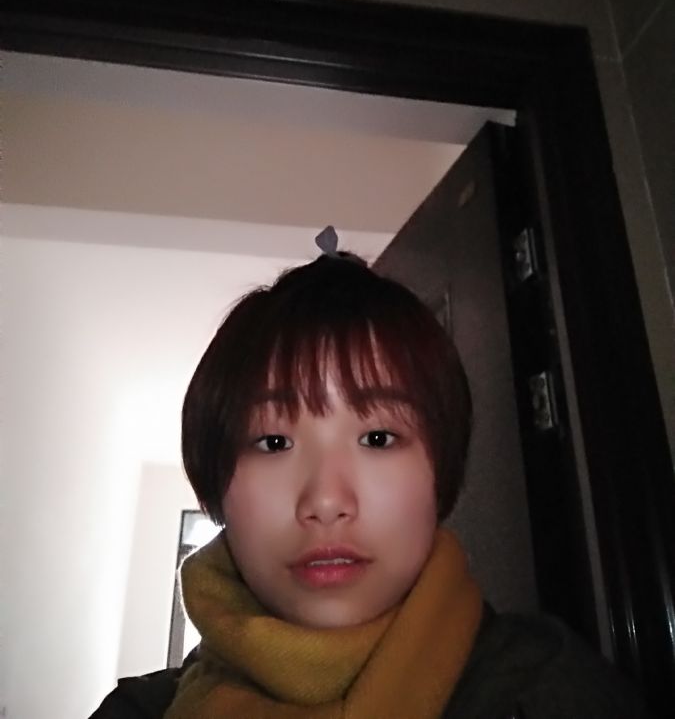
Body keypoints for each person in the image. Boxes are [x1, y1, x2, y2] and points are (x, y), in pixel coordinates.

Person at [92, 234, 649, 718]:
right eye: (274, 442)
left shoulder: (553, 693)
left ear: (440, 470)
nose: (326, 500)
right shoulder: (140, 711)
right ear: (216, 479)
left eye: (378, 438)